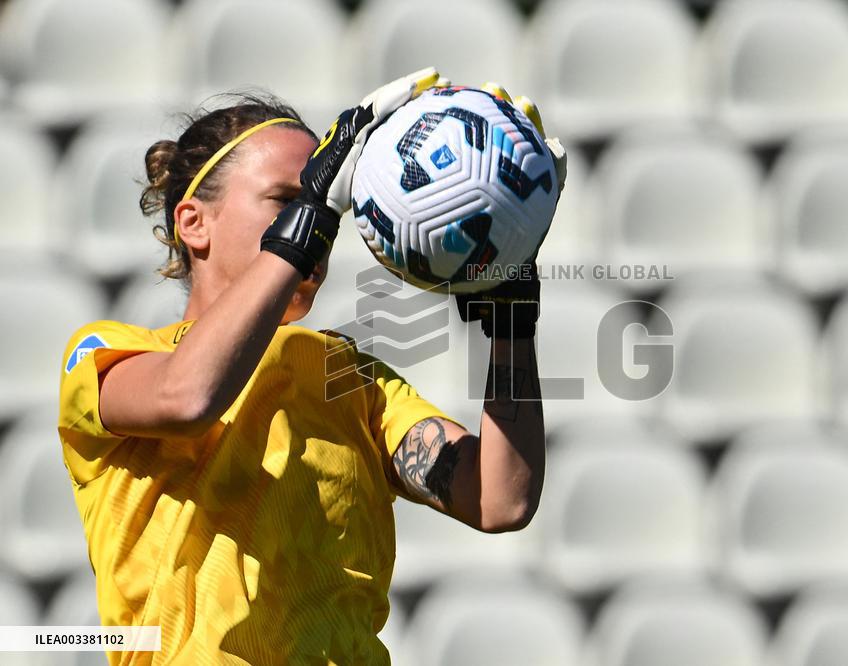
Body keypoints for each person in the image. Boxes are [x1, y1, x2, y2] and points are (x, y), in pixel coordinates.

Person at [56, 68, 566, 665]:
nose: (320, 228)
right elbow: (188, 396)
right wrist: (306, 224)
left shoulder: (350, 377)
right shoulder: (106, 353)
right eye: (288, 201)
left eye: (326, 206)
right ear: (193, 223)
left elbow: (500, 499)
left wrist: (509, 318)